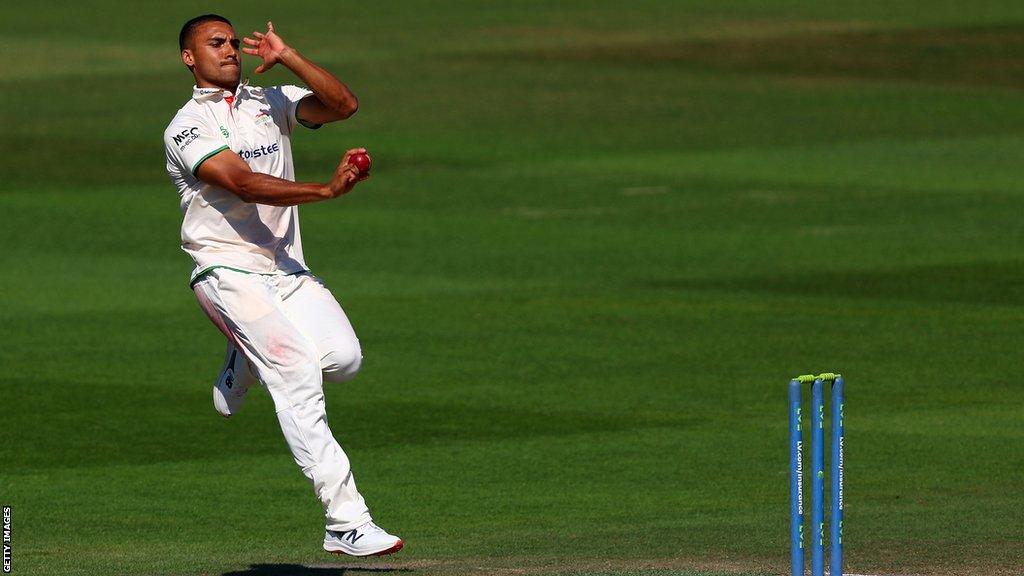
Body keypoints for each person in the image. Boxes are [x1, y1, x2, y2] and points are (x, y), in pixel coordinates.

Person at [162, 14, 402, 557]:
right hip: (225, 271)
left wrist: (289, 55)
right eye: (214, 44)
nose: (228, 50)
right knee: (295, 371)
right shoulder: (186, 127)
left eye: (231, 42)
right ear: (189, 59)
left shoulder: (269, 99)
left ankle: (242, 357)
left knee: (343, 360)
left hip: (286, 269)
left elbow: (343, 105)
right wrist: (323, 191)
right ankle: (345, 521)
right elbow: (241, 183)